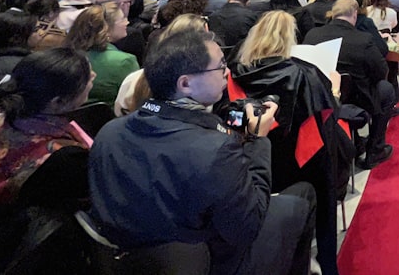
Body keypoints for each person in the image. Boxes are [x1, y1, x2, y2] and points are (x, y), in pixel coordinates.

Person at [88, 29, 316, 275]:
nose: (227, 73)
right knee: (304, 195)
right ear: (185, 83)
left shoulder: (108, 132)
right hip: (203, 261)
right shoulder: (214, 150)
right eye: (219, 67)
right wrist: (257, 139)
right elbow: (247, 228)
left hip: (129, 259)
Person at [232, 12, 347, 275]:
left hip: (252, 159)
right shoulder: (305, 73)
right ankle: (326, 263)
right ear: (289, 39)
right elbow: (327, 117)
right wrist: (335, 92)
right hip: (300, 162)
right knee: (328, 167)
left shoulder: (235, 73)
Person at [0, 48, 94, 225]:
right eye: (87, 77)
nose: (93, 76)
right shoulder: (63, 157)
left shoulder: (0, 117)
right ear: (57, 102)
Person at [304, 0, 395, 169]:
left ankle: (359, 141)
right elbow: (381, 71)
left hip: (320, 99)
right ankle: (375, 149)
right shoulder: (363, 39)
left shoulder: (312, 35)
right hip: (358, 99)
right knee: (386, 90)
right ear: (354, 14)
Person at [65, 2, 138, 106]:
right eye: (122, 19)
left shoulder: (63, 55)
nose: (127, 22)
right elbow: (133, 102)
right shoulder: (125, 61)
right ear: (106, 28)